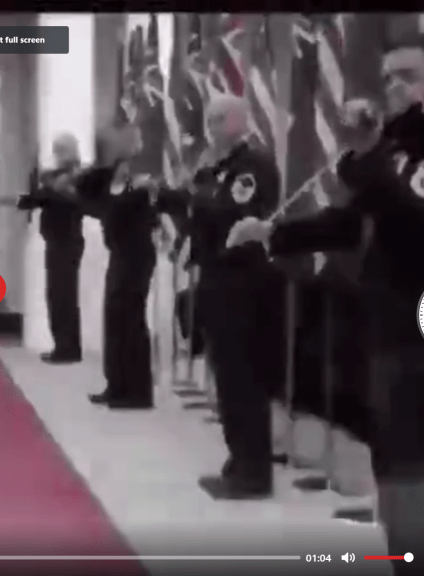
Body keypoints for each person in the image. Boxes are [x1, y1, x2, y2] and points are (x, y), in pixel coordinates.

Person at [227, 34, 424, 572]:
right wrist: (274, 232)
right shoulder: (399, 149)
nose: (393, 87)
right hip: (394, 333)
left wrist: (373, 153)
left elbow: (422, 210)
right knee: (398, 484)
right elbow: (352, 220)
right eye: (388, 77)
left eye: (408, 76)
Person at [154, 95, 286, 498]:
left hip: (243, 281)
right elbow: (198, 204)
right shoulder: (215, 167)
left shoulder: (253, 166)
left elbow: (230, 212)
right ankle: (238, 457)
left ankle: (254, 471)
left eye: (218, 118)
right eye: (209, 119)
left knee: (243, 377)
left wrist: (197, 197)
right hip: (215, 277)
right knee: (225, 375)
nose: (210, 126)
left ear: (240, 121)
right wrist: (162, 194)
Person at [85, 127, 157, 410]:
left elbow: (125, 210)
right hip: (118, 254)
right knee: (114, 319)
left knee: (131, 319)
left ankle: (138, 392)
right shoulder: (107, 176)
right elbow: (87, 191)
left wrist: (132, 188)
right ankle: (116, 385)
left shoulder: (141, 175)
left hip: (137, 255)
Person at [17, 133, 85, 364]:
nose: (56, 155)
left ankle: (67, 348)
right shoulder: (56, 176)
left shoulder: (77, 176)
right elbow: (37, 197)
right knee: (58, 296)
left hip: (66, 242)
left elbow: (64, 199)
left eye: (60, 150)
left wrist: (47, 191)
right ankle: (64, 346)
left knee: (63, 296)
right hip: (58, 242)